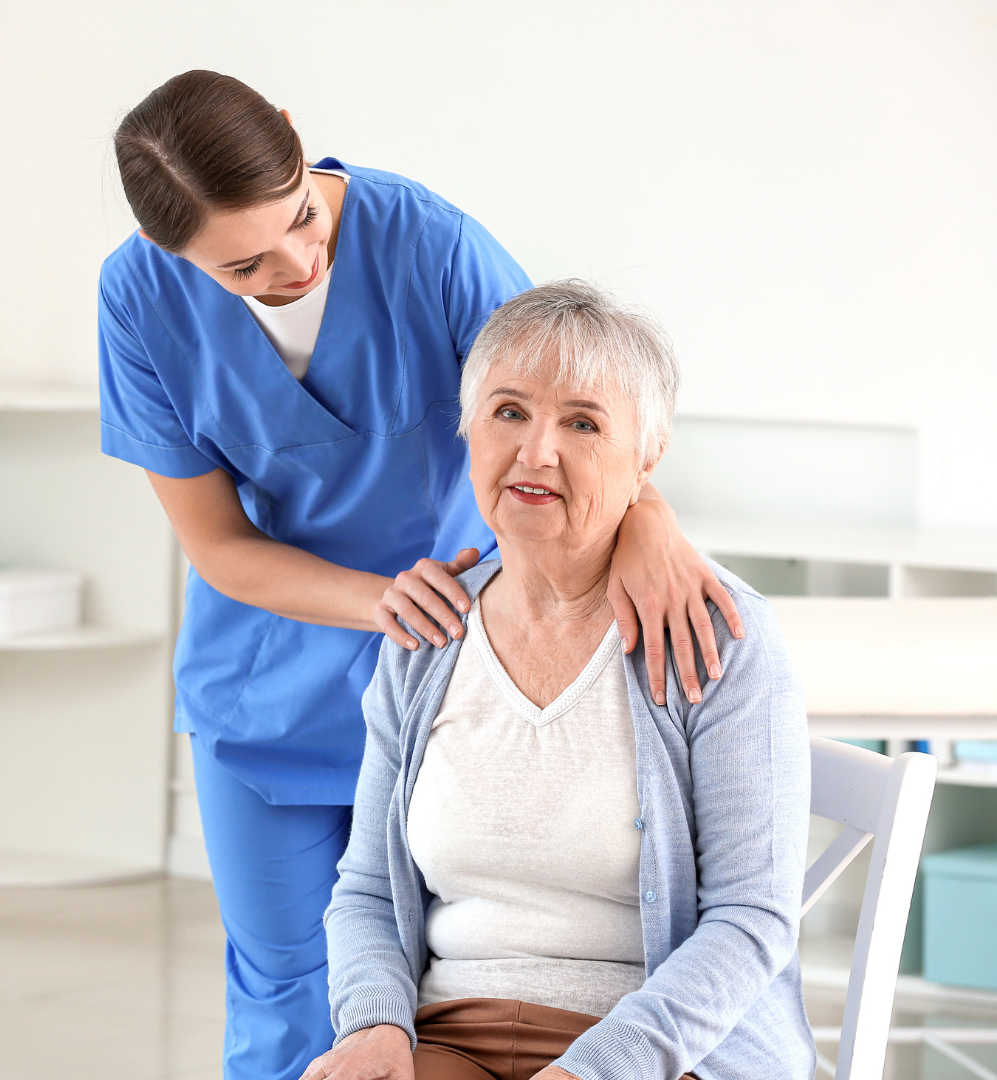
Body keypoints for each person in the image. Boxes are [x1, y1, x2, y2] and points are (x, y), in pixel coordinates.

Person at [99, 71, 747, 1080]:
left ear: (290, 130)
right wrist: (379, 601)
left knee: (428, 992)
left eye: (303, 220)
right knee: (284, 994)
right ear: (172, 257)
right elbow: (218, 546)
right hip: (269, 689)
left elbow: (570, 403)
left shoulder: (432, 246)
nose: (298, 264)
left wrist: (651, 519)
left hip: (455, 682)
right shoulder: (137, 299)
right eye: (242, 267)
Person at [317, 282, 814, 1080]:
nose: (536, 451)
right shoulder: (426, 633)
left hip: (658, 1047)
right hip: (450, 1033)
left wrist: (598, 1068)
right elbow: (369, 889)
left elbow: (750, 920)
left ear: (645, 460)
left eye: (583, 423)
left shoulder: (719, 637)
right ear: (469, 432)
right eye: (508, 412)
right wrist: (372, 1025)